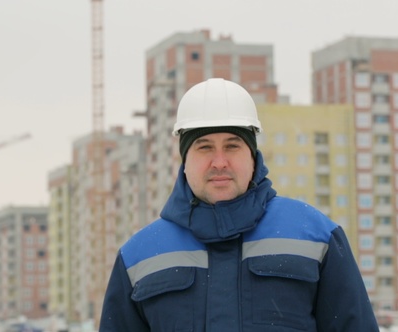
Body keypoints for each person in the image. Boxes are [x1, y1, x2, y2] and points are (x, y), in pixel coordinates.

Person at [99, 78, 379, 331]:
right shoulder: (138, 257)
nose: (219, 162)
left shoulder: (316, 236)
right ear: (185, 161)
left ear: (253, 156)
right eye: (204, 147)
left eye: (232, 146)